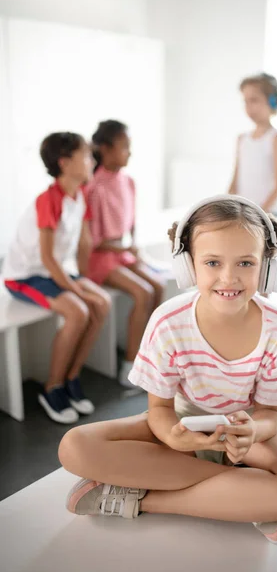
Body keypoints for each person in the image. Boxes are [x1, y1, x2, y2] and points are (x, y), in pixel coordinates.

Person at [59, 195, 277, 544]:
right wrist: (173, 435)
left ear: (266, 266)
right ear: (188, 266)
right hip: (181, 427)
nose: (229, 278)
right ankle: (249, 495)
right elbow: (158, 410)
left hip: (244, 437)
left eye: (246, 263)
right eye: (213, 262)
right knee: (74, 446)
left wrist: (252, 431)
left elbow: (269, 415)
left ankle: (147, 501)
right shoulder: (168, 321)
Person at [2, 132, 111, 424]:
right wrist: (76, 289)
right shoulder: (48, 200)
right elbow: (48, 257)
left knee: (102, 302)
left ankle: (71, 377)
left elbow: (82, 245)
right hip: (24, 277)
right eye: (86, 155)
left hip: (54, 271)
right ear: (64, 163)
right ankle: (52, 387)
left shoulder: (79, 195)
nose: (92, 160)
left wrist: (85, 283)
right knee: (78, 311)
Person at [84, 120, 165, 389]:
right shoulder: (94, 187)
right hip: (101, 257)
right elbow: (95, 242)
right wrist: (126, 248)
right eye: (124, 147)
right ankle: (131, 365)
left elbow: (131, 225)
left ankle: (148, 355)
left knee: (157, 287)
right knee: (142, 293)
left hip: (122, 254)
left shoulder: (128, 181)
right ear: (105, 149)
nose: (129, 152)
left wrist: (134, 249)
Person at [229, 73, 277, 217]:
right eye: (245, 101)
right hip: (244, 215)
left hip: (266, 215)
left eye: (254, 100)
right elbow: (235, 179)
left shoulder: (275, 139)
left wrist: (259, 213)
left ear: (273, 101)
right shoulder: (242, 139)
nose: (248, 107)